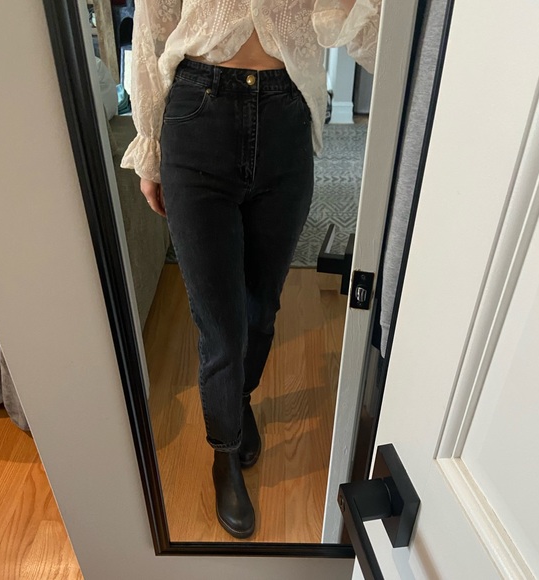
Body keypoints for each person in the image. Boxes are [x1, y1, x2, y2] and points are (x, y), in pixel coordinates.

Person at [122, 0, 380, 539]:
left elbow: (362, 33)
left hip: (287, 115)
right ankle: (225, 451)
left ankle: (238, 401)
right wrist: (149, 147)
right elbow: (151, 30)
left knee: (262, 306)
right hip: (197, 113)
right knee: (220, 323)